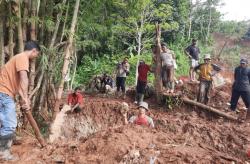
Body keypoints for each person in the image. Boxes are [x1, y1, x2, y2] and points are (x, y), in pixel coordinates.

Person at [0, 41, 40, 160]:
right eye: (36, 54)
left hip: (2, 93)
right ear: (33, 51)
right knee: (10, 124)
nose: (35, 57)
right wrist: (26, 99)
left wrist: (24, 99)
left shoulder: (16, 58)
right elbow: (24, 78)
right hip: (4, 94)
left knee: (2, 122)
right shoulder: (23, 58)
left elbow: (18, 87)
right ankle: (3, 153)